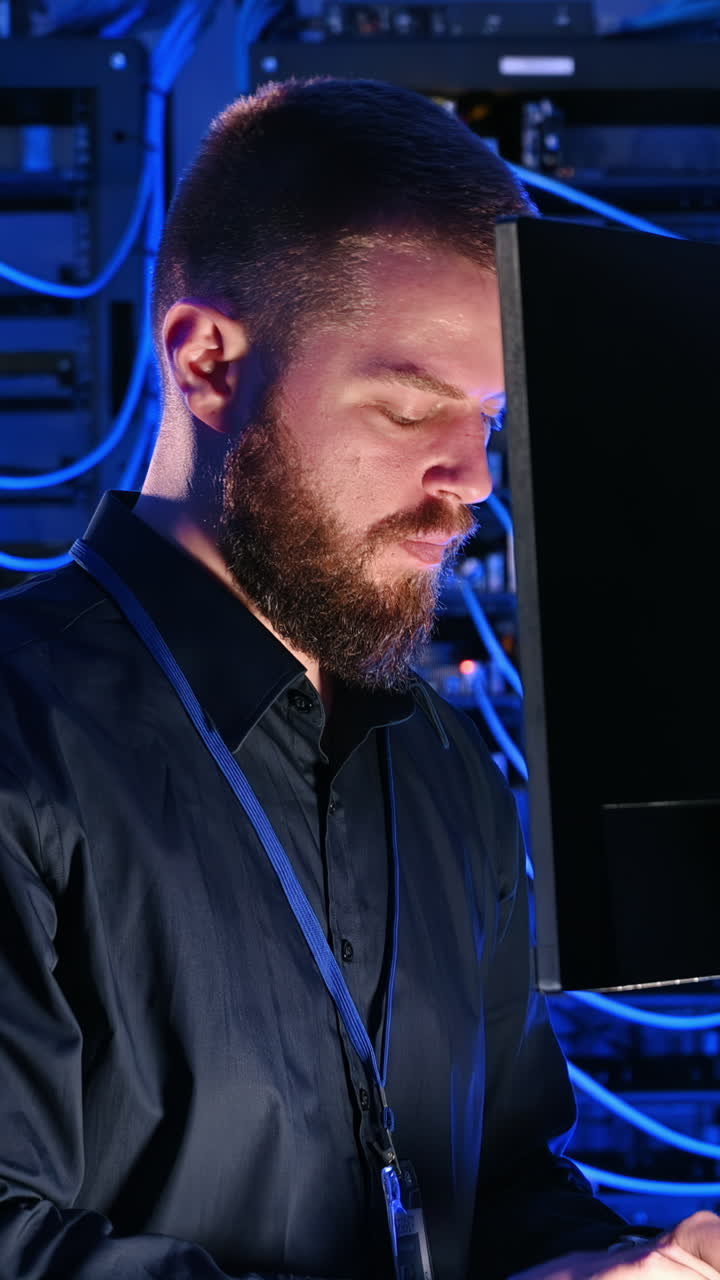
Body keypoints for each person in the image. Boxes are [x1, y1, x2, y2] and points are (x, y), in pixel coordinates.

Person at [0, 74, 718, 1280]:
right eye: (409, 410)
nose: (474, 478)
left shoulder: (439, 764)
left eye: (489, 418)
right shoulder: (24, 742)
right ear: (209, 362)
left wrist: (622, 1261)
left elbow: (502, 1184)